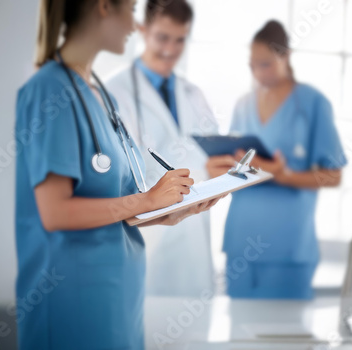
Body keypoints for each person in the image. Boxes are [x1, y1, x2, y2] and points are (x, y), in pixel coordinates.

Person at [14, 0, 224, 348]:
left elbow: (119, 209)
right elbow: (55, 213)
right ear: (103, 7)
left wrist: (168, 213)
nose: (132, 24)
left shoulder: (99, 95)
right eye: (130, 9)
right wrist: (148, 199)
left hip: (117, 307)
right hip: (74, 304)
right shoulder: (49, 90)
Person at [207, 20, 347, 299]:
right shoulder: (243, 104)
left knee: (284, 338)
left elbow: (334, 176)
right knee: (238, 338)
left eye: (266, 64)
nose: (258, 73)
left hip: (288, 250)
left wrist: (285, 176)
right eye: (252, 66)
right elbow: (235, 169)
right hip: (240, 245)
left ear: (286, 56)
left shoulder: (312, 104)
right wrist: (218, 171)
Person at [106, 0, 218, 296]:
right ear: (142, 30)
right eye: (162, 38)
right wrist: (203, 169)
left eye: (180, 39)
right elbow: (126, 175)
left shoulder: (194, 95)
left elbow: (212, 155)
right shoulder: (114, 92)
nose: (171, 50)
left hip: (196, 246)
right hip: (151, 243)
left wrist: (225, 168)